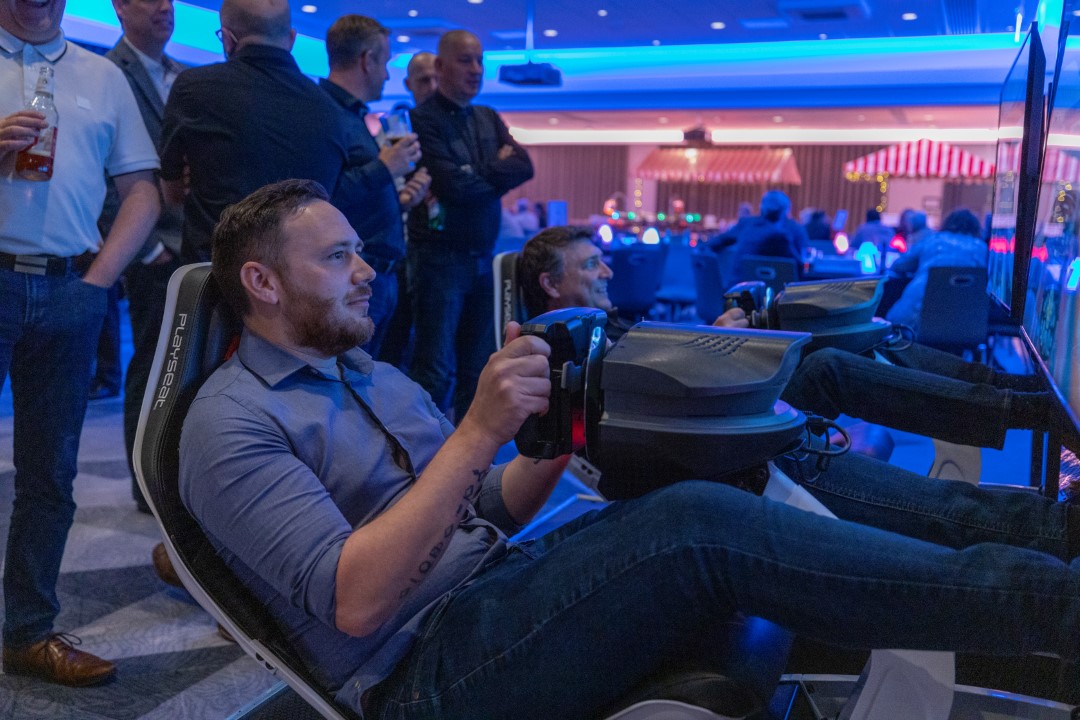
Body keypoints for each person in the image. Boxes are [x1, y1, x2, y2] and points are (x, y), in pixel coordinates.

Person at [182, 180, 1080, 720]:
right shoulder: (230, 425)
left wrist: (552, 431)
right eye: (339, 258)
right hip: (426, 673)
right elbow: (357, 603)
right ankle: (1053, 605)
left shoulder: (366, 375)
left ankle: (1039, 541)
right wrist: (477, 433)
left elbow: (485, 509)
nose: (369, 270)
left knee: (732, 464)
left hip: (498, 586)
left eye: (360, 253)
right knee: (696, 525)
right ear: (261, 283)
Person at [0, 0, 161, 686]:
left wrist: (97, 283)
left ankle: (28, 632)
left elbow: (142, 193)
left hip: (71, 290)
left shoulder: (102, 75)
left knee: (50, 475)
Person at [159, 0, 367, 263]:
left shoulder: (194, 88)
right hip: (303, 279)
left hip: (219, 275)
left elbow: (173, 194)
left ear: (227, 38)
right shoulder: (329, 107)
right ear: (292, 39)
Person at [407, 29, 534, 422]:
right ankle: (421, 459)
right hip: (440, 260)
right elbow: (452, 187)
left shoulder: (486, 116)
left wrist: (474, 173)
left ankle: (468, 457)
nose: (476, 70)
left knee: (478, 367)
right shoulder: (421, 118)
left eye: (480, 60)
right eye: (466, 60)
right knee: (435, 367)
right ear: (441, 66)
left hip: (484, 259)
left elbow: (524, 166)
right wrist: (495, 172)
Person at [102, 0, 188, 511]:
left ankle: (180, 475)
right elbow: (103, 171)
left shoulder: (184, 75)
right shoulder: (110, 72)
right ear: (118, 7)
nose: (164, 7)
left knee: (186, 367)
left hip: (195, 242)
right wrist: (147, 244)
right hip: (150, 247)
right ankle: (146, 485)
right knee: (153, 368)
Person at [319, 14, 430, 358]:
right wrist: (386, 167)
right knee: (353, 380)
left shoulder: (351, 116)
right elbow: (322, 196)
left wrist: (400, 202)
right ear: (367, 60)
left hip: (378, 272)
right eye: (385, 63)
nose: (386, 75)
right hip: (356, 275)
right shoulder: (325, 113)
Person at [519, 225, 746, 340]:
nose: (608, 273)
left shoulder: (605, 328)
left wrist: (710, 337)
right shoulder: (573, 350)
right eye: (591, 265)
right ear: (550, 284)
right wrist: (713, 344)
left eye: (602, 261)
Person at [377, 49, 439, 369]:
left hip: (436, 250)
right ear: (408, 84)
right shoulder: (396, 130)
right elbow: (381, 188)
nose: (432, 85)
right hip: (398, 248)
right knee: (395, 340)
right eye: (423, 79)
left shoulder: (449, 128)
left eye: (436, 78)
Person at [885, 208, 987, 332]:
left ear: (947, 223)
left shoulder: (933, 240)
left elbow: (898, 265)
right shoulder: (982, 248)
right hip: (966, 324)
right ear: (975, 227)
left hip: (916, 319)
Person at [728, 190, 807, 281]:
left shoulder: (746, 224)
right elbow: (799, 267)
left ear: (761, 207)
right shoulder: (781, 236)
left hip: (736, 289)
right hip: (770, 291)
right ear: (785, 211)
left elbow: (717, 242)